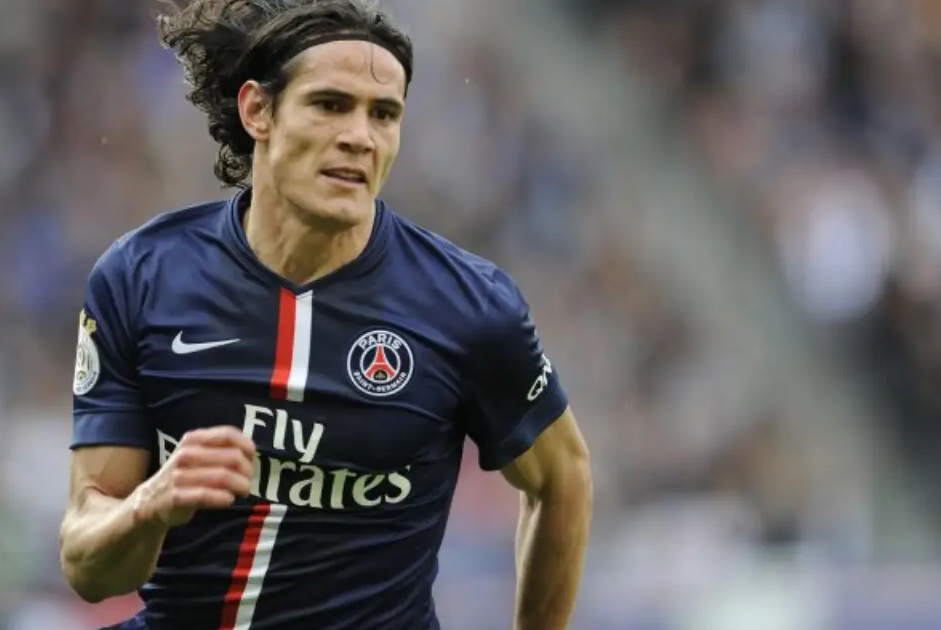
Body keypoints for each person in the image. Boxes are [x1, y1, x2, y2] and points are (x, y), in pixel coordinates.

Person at [59, 1, 593, 628]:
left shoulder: (470, 308)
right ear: (258, 110)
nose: (360, 137)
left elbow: (563, 477)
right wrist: (148, 506)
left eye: (383, 114)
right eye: (330, 104)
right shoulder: (142, 277)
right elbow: (90, 571)